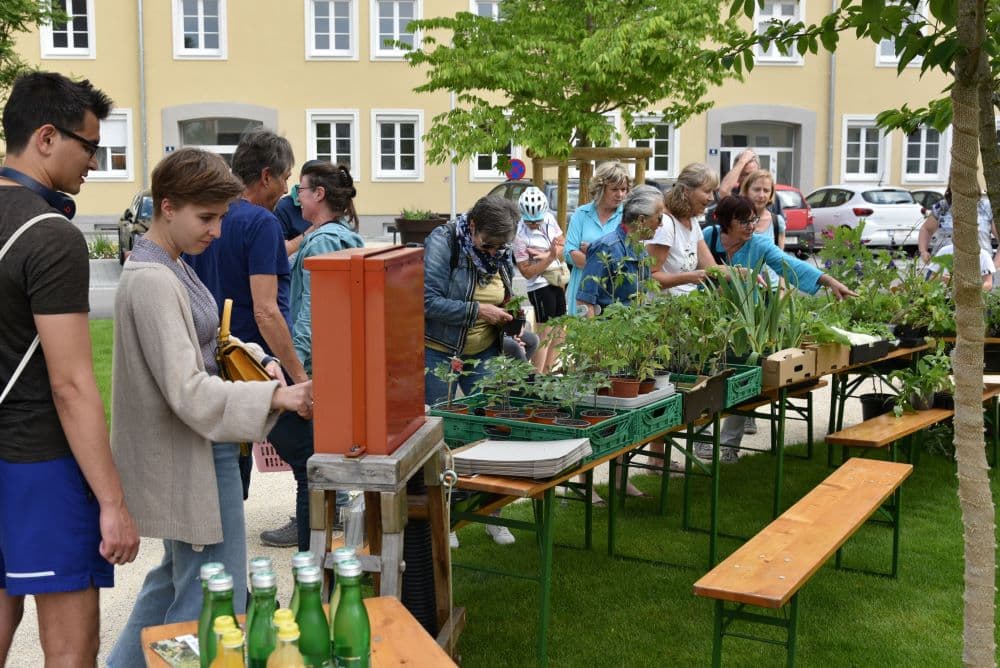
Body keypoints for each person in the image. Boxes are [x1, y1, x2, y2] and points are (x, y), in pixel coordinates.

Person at [106, 148, 313, 667]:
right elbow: (188, 390)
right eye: (207, 217)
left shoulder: (169, 263)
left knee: (175, 585)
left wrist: (258, 359)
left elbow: (212, 341)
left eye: (221, 217)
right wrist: (277, 394)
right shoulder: (154, 279)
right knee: (213, 598)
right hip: (194, 452)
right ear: (167, 207)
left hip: (200, 450)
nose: (217, 231)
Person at [0, 71, 140, 666]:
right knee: (72, 652)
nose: (95, 161)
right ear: (48, 137)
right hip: (40, 463)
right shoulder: (51, 234)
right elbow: (72, 383)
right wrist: (112, 502)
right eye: (90, 146)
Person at [186, 128, 313, 551]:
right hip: (255, 367)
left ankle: (226, 576)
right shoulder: (261, 223)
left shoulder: (207, 220)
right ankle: (314, 573)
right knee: (311, 460)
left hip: (210, 366)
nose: (287, 188)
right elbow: (266, 309)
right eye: (284, 178)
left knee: (226, 473)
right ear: (265, 175)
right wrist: (297, 378)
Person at [702, 195, 856, 461]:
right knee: (705, 378)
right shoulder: (709, 236)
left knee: (743, 379)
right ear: (725, 221)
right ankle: (702, 438)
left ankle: (729, 445)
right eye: (743, 221)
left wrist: (828, 279)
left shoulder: (759, 244)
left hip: (746, 320)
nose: (751, 226)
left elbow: (789, 265)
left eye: (752, 219)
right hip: (708, 317)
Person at [423, 196, 520, 546]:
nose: (495, 252)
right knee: (443, 437)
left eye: (501, 246)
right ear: (474, 226)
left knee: (496, 428)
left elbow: (504, 291)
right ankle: (445, 520)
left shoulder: (500, 247)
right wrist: (478, 311)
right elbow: (427, 301)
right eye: (489, 244)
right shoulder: (443, 242)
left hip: (485, 350)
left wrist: (511, 318)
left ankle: (492, 512)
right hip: (439, 353)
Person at [290, 160, 365, 370]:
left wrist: (296, 358)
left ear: (318, 193)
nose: (297, 198)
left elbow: (312, 307)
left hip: (316, 362)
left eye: (300, 189)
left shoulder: (323, 242)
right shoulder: (338, 234)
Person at [739, 168, 785, 435]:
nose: (761, 194)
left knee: (763, 353)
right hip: (745, 293)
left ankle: (751, 410)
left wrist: (782, 290)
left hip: (770, 292)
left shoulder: (776, 221)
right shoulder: (739, 220)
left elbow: (782, 258)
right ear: (746, 190)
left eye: (766, 190)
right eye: (757, 188)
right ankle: (743, 407)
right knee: (746, 352)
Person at [576, 185, 664, 315]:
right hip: (607, 331)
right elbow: (585, 302)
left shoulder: (641, 251)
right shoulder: (607, 248)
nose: (661, 224)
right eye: (659, 218)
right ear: (641, 219)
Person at [512, 186, 566, 372]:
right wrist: (550, 257)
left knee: (560, 330)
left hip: (556, 280)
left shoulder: (550, 219)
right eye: (529, 221)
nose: (534, 224)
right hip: (538, 286)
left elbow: (562, 244)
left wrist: (545, 256)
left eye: (537, 220)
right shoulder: (519, 235)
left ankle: (548, 372)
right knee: (545, 333)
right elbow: (527, 272)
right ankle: (537, 378)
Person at [564, 162, 630, 314]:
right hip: (582, 291)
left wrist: (591, 252)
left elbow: (628, 258)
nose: (620, 194)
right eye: (614, 189)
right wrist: (605, 260)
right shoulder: (581, 214)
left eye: (623, 189)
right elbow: (569, 253)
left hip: (614, 295)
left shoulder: (627, 217)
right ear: (601, 189)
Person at [646, 163, 720, 296]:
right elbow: (649, 277)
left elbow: (711, 268)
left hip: (686, 307)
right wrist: (689, 277)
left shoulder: (692, 221)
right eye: (707, 191)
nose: (712, 198)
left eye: (713, 192)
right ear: (686, 191)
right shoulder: (666, 224)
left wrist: (742, 273)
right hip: (662, 310)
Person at [918, 187, 1000, 269]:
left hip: (979, 268)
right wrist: (923, 251)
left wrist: (995, 264)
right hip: (943, 267)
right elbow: (926, 229)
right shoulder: (943, 206)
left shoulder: (987, 207)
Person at [926, 244, 995, 290]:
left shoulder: (983, 254)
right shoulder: (944, 250)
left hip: (971, 300)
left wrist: (963, 285)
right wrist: (942, 278)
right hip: (944, 298)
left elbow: (988, 284)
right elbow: (930, 279)